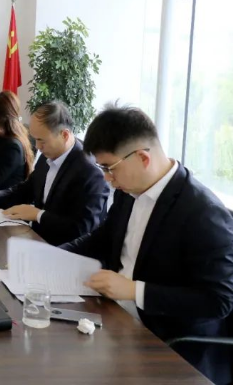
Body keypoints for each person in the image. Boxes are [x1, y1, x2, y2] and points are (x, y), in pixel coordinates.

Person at [61, 105, 233, 385]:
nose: (106, 178)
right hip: (116, 317)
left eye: (109, 168)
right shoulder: (129, 191)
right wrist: (54, 256)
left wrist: (134, 290)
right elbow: (103, 237)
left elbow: (218, 301)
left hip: (169, 344)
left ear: (142, 157)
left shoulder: (203, 213)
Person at [0, 101, 109, 246]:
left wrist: (38, 215)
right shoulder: (49, 154)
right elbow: (27, 188)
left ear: (65, 135)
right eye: (35, 139)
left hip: (62, 250)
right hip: (35, 240)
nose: (38, 147)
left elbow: (82, 229)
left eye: (42, 141)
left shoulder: (90, 172)